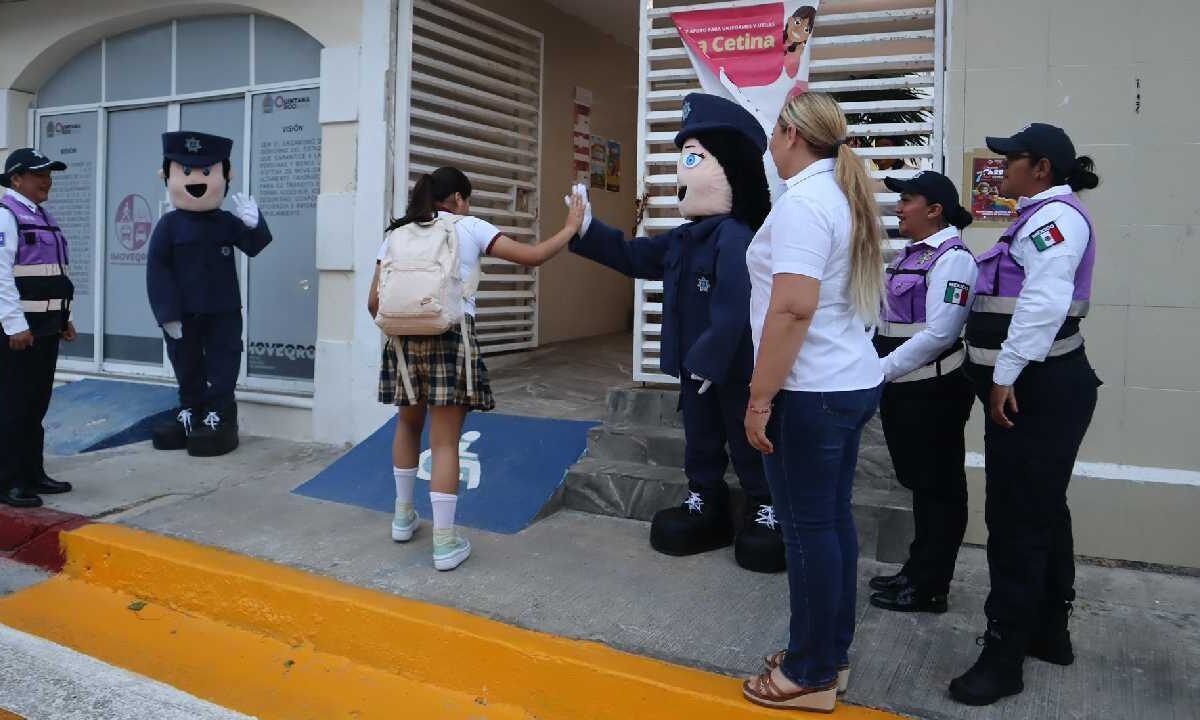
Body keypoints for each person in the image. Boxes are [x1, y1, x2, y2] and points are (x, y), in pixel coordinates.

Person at [569, 93, 784, 573]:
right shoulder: (685, 238)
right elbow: (632, 256)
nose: (682, 175)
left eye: (695, 160)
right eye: (683, 160)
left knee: (749, 438)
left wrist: (708, 360)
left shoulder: (737, 239)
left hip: (734, 367)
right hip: (696, 367)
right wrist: (587, 228)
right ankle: (705, 500)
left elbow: (734, 306)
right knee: (701, 439)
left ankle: (766, 507)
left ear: (732, 169)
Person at [740, 92, 885, 712]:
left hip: (809, 391)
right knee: (829, 525)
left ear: (791, 134)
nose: (769, 148)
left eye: (773, 134)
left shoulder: (804, 203)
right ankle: (828, 654)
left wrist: (758, 398)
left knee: (807, 533)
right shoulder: (840, 196)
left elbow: (793, 307)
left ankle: (811, 671)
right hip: (845, 381)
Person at [950, 123, 1101, 706]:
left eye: (1010, 159)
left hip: (1035, 388)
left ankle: (1003, 656)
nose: (1001, 167)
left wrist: (1005, 375)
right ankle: (1048, 631)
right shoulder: (1037, 216)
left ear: (1040, 168)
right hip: (1040, 386)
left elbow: (1043, 303)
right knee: (1042, 511)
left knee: (1016, 522)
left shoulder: (1054, 220)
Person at [368, 167, 585, 572]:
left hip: (401, 340)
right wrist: (571, 225)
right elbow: (533, 257)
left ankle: (402, 519)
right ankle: (445, 543)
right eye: (467, 199)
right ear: (458, 199)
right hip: (451, 335)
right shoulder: (469, 227)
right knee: (446, 442)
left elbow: (373, 303)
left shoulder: (396, 234)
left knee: (407, 426)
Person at [868, 171, 978, 614]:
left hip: (933, 393)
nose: (899, 206)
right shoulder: (911, 256)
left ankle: (932, 586)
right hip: (904, 389)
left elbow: (940, 333)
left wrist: (879, 371)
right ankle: (916, 570)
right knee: (920, 485)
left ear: (935, 210)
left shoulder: (954, 260)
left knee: (940, 490)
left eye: (908, 199)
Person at [147, 132, 272, 457]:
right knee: (186, 364)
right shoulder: (168, 226)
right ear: (168, 176)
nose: (196, 181)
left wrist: (256, 223)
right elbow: (158, 272)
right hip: (183, 313)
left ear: (225, 176)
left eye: (206, 172)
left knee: (222, 364)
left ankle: (221, 417)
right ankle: (191, 412)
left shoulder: (225, 222)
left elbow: (255, 246)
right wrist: (166, 314)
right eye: (186, 172)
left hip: (222, 311)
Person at [0, 149, 76, 508]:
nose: (47, 180)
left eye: (49, 174)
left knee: (36, 404)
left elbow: (51, 275)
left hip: (44, 328)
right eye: (39, 174)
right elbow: (1, 277)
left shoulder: (40, 215)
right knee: (14, 405)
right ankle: (9, 480)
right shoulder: (6, 215)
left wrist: (62, 319)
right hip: (17, 333)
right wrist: (15, 325)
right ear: (16, 179)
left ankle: (32, 473)